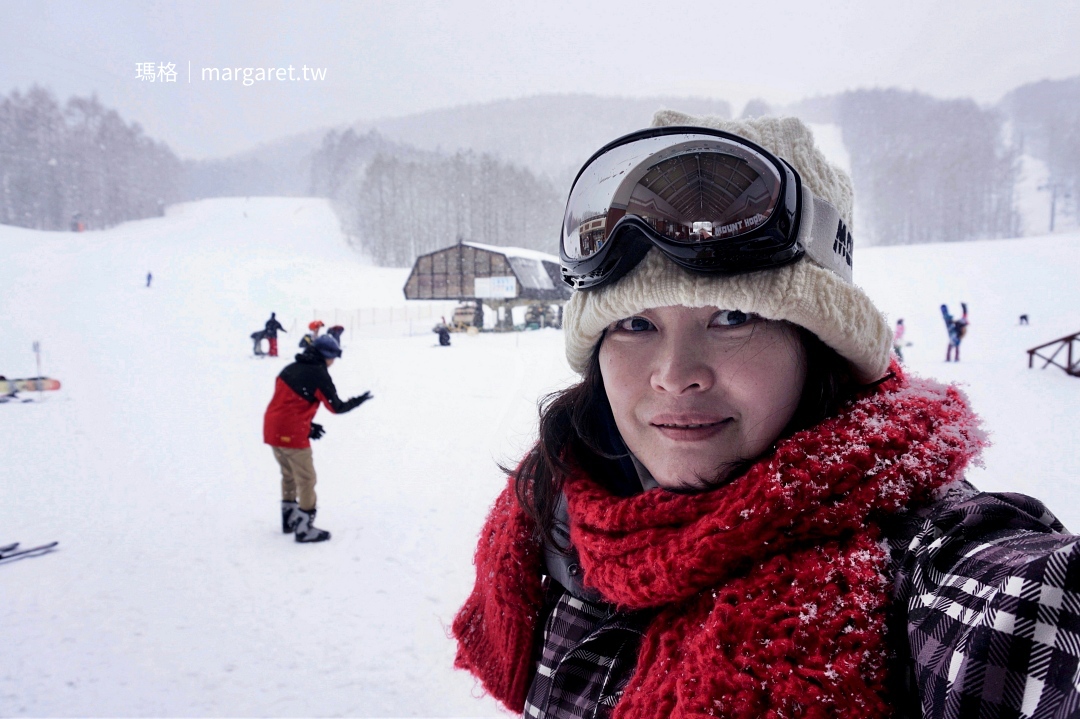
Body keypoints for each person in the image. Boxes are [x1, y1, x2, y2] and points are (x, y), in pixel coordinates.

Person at [452, 113, 1080, 718]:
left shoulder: (926, 568)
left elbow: (1031, 623)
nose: (674, 373)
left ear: (819, 346)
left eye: (732, 319)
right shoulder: (559, 522)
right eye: (635, 324)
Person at [263, 335, 372, 542]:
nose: (333, 362)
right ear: (326, 356)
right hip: (292, 434)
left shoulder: (290, 368)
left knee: (288, 474)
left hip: (272, 428)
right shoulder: (318, 374)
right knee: (306, 479)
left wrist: (307, 424)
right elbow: (336, 407)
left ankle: (289, 519)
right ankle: (304, 528)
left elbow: (286, 403)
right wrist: (357, 401)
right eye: (333, 357)